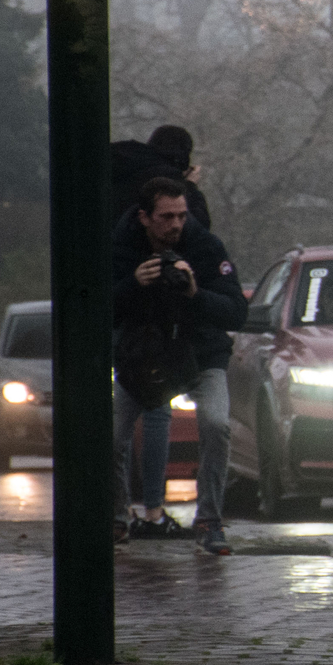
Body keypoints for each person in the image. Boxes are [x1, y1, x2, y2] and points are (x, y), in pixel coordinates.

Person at [111, 177, 246, 554]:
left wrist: (194, 293)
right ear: (144, 218)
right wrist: (133, 284)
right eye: (166, 217)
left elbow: (236, 311)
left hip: (201, 355)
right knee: (110, 433)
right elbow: (97, 304)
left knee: (216, 424)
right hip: (144, 358)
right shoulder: (122, 248)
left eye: (181, 216)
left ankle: (209, 519)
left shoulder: (204, 246)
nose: (175, 225)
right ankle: (118, 517)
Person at [109, 126, 212, 537]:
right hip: (156, 313)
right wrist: (187, 188)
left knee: (117, 417)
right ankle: (152, 510)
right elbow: (198, 238)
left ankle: (117, 514)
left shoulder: (118, 174)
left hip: (118, 306)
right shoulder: (179, 196)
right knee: (156, 408)